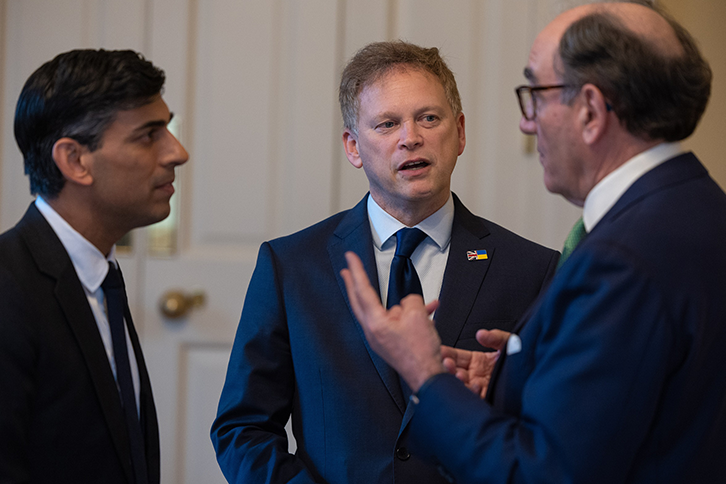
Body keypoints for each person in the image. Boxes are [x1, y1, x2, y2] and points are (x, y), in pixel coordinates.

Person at [341, 2, 726, 483]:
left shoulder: (621, 259)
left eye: (537, 95)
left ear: (589, 110)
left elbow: (542, 475)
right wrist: (523, 377)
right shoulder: (699, 208)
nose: (528, 123)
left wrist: (428, 376)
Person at [211, 41, 559, 483]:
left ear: (461, 132)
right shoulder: (291, 265)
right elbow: (242, 427)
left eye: (428, 118)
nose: (410, 137)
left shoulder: (532, 269)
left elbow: (553, 425)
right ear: (353, 147)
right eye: (387, 123)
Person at [0, 49, 188, 484]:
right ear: (75, 160)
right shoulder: (10, 288)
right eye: (148, 135)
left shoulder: (100, 277)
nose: (177, 152)